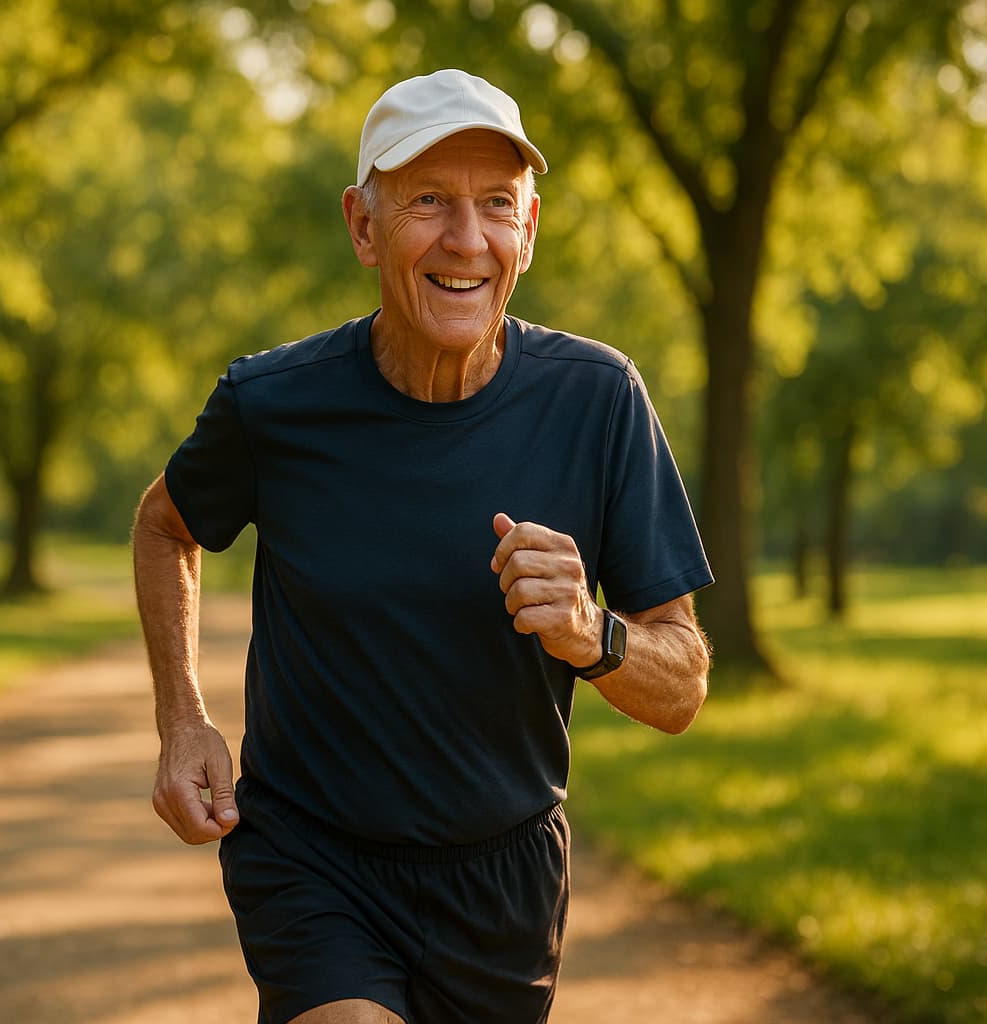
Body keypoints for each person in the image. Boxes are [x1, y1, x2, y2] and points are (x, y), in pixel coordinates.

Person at [133, 68, 713, 1024]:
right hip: (311, 856)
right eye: (429, 203)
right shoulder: (275, 402)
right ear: (363, 225)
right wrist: (182, 719)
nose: (466, 239)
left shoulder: (599, 400)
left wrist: (589, 634)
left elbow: (683, 680)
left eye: (495, 205)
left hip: (503, 881)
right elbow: (166, 524)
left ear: (529, 228)